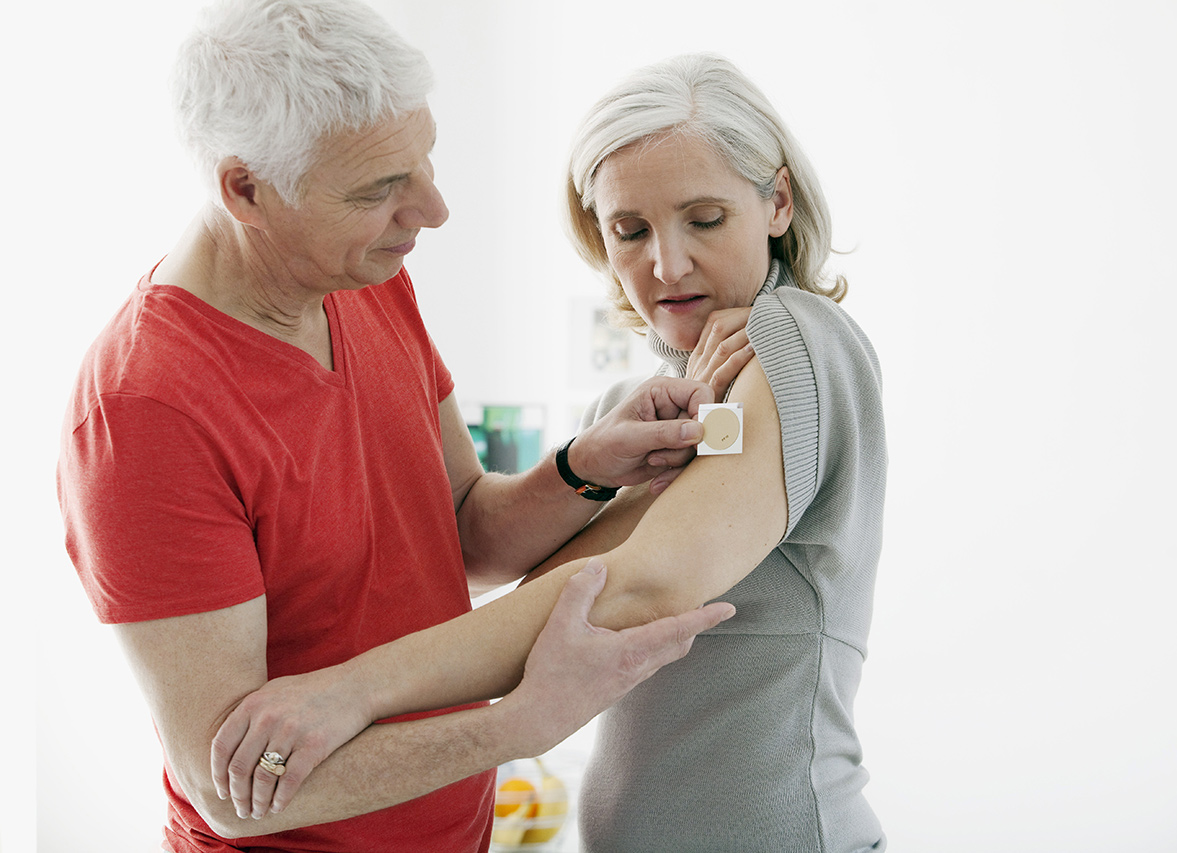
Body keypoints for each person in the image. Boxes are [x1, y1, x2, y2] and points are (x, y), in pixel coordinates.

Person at [55, 2, 739, 851]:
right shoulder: (142, 410)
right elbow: (226, 788)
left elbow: (462, 538)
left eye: (422, 163)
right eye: (380, 190)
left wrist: (581, 467)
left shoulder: (363, 276)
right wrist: (519, 727)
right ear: (245, 189)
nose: (434, 208)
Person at [209, 52, 888, 852]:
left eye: (704, 219)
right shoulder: (632, 414)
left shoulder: (798, 339)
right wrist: (602, 464)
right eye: (629, 231)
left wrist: (348, 692)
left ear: (776, 202)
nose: (665, 265)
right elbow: (554, 615)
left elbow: (646, 585)